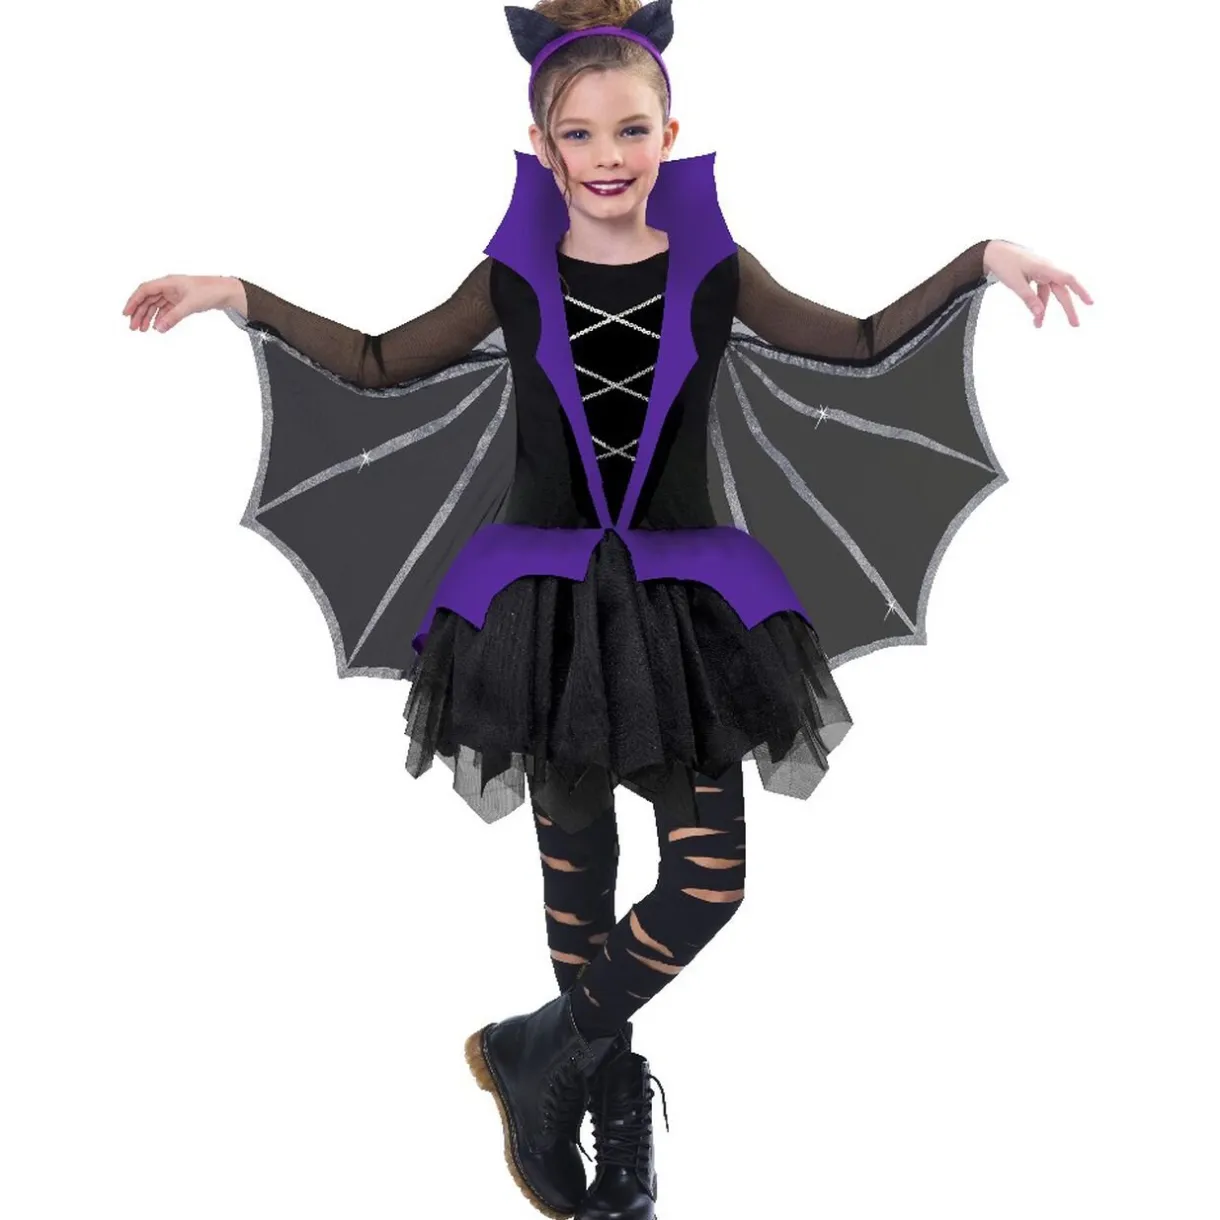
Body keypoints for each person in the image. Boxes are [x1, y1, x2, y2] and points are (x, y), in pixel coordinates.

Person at [122, 2, 1091, 1215]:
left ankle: (536, 1047)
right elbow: (376, 362)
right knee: (577, 893)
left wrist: (982, 259)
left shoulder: (714, 271)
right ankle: (609, 1114)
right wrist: (240, 294)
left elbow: (852, 341)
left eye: (631, 129)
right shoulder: (513, 277)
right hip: (541, 616)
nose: (606, 154)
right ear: (540, 146)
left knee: (708, 881)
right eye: (577, 134)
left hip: (686, 611)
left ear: (669, 133)